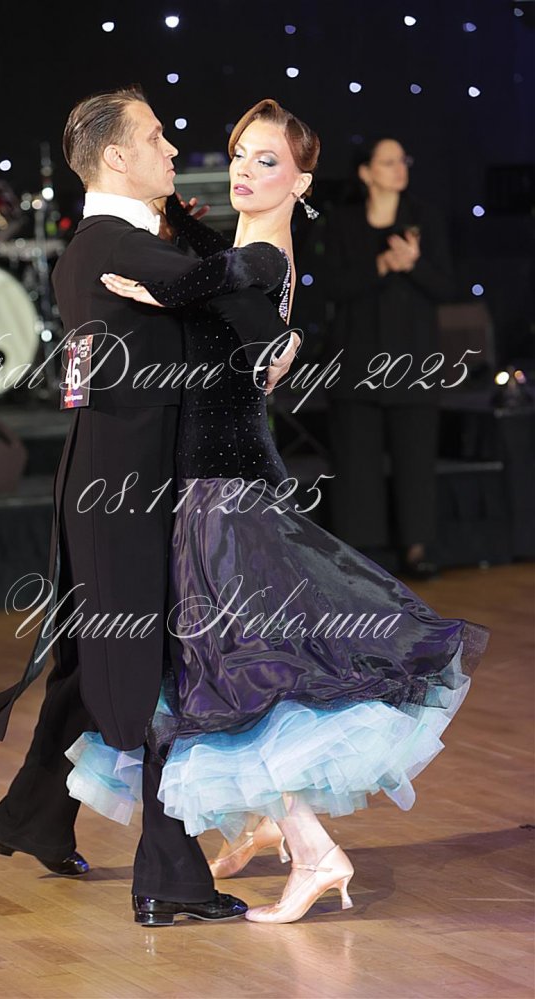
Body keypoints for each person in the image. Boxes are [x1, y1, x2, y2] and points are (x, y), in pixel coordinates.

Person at [65, 99, 490, 924]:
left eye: (267, 161)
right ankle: (271, 827)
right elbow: (207, 282)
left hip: (225, 491)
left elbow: (199, 283)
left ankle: (314, 849)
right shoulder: (237, 248)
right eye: (239, 155)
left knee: (244, 669)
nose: (244, 170)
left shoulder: (260, 254)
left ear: (301, 183)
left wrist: (152, 285)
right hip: (214, 483)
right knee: (229, 668)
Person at [0, 86, 297, 926]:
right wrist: (269, 266)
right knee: (159, 671)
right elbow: (222, 280)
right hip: (125, 491)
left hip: (121, 483)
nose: (172, 149)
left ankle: (33, 815)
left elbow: (214, 295)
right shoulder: (114, 246)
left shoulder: (120, 243)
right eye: (156, 137)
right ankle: (169, 877)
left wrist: (272, 331)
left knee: (101, 665)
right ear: (117, 156)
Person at [323, 138, 455, 578]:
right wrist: (380, 267)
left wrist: (413, 264)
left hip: (413, 360)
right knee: (356, 461)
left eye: (403, 160)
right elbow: (330, 285)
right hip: (356, 359)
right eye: (389, 161)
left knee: (415, 458)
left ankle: (417, 548)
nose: (400, 168)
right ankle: (360, 554)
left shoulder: (425, 218)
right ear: (366, 172)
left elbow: (447, 287)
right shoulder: (342, 221)